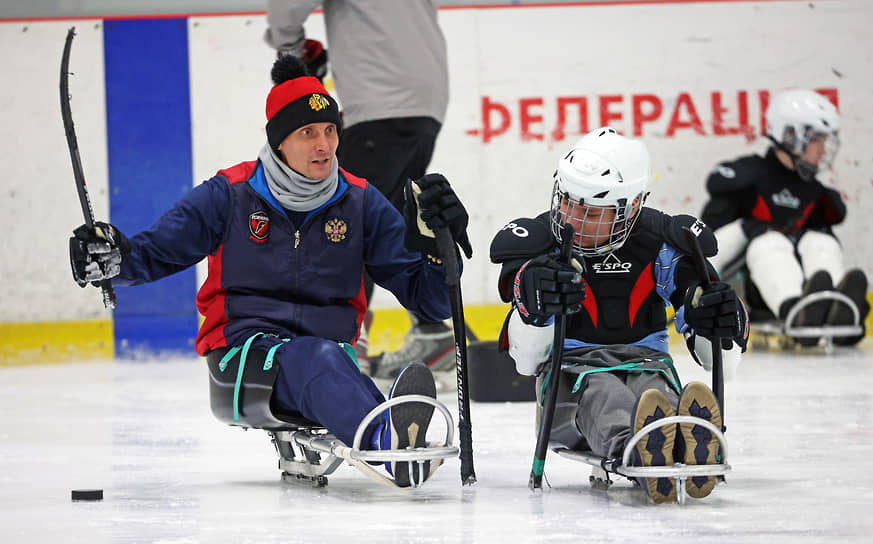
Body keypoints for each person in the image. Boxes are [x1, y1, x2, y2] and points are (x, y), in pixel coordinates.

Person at [68, 55, 470, 488]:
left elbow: (428, 300)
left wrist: (435, 250)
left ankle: (391, 435)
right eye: (308, 133)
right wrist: (110, 258)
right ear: (280, 141)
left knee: (326, 358)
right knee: (317, 358)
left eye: (331, 131)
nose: (324, 145)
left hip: (328, 357)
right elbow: (152, 253)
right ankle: (387, 441)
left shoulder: (361, 202)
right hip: (241, 357)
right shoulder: (230, 195)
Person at [489, 127, 749, 503]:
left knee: (654, 390)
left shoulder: (661, 241)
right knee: (604, 393)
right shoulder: (541, 242)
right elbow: (525, 363)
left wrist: (714, 315)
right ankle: (639, 444)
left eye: (591, 211)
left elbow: (715, 348)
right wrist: (534, 303)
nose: (573, 218)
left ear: (630, 207)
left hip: (648, 361)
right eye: (567, 202)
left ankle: (682, 437)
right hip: (571, 374)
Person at [264, 0, 458, 378]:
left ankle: (346, 341)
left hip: (379, 101)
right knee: (392, 216)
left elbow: (287, 5)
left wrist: (290, 48)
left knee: (343, 220)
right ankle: (433, 330)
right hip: (425, 101)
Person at [701, 88, 868, 347]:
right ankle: (794, 311)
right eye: (817, 140)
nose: (823, 150)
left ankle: (833, 306)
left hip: (801, 277)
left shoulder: (814, 192)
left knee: (820, 241)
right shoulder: (747, 176)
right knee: (768, 242)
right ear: (791, 136)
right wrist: (747, 229)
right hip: (753, 290)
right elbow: (708, 248)